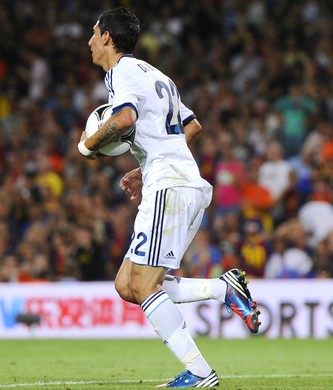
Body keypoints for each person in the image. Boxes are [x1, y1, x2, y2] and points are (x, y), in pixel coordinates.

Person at [77, 8, 260, 388]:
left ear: (108, 37)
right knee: (127, 284)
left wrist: (89, 145)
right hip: (174, 181)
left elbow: (124, 120)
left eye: (94, 34)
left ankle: (199, 372)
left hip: (170, 186)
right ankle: (222, 289)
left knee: (145, 285)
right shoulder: (156, 75)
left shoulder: (121, 73)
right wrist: (143, 169)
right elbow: (192, 126)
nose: (90, 41)